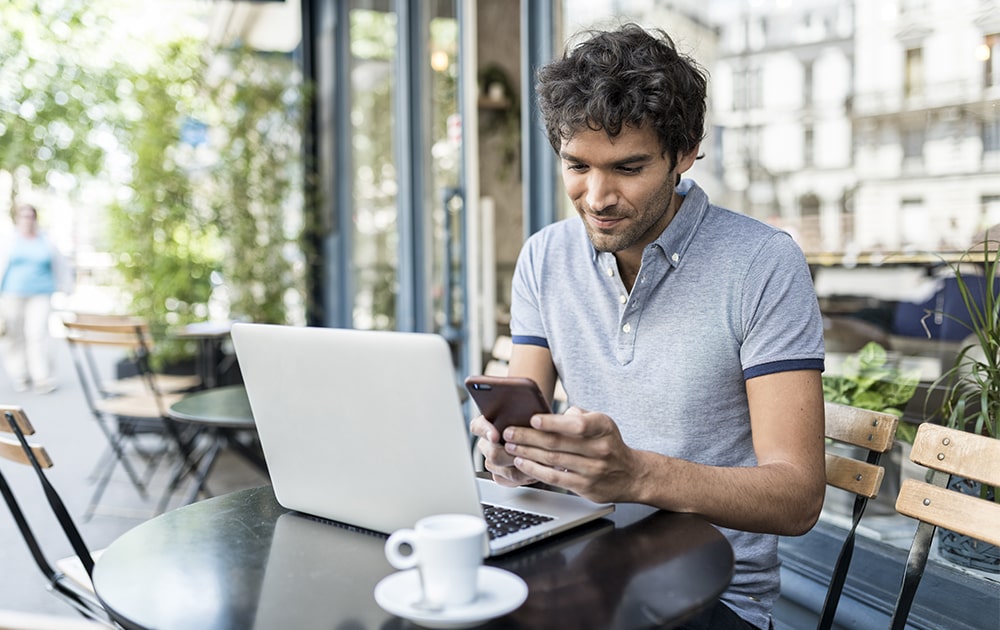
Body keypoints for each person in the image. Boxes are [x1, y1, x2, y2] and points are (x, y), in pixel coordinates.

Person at [470, 24, 826, 630]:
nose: (597, 197)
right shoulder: (544, 256)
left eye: (628, 167)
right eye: (576, 166)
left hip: (713, 596)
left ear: (684, 153)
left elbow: (797, 496)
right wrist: (507, 456)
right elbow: (520, 424)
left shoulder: (763, 263)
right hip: (580, 561)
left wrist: (636, 475)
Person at [0, 203, 65, 393]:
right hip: (12, 293)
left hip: (41, 293)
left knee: (37, 334)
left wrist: (66, 288)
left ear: (35, 219)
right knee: (15, 334)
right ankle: (19, 373)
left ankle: (41, 376)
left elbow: (59, 265)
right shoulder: (9, 239)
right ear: (18, 218)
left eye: (30, 216)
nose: (27, 220)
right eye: (24, 216)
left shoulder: (45, 240)